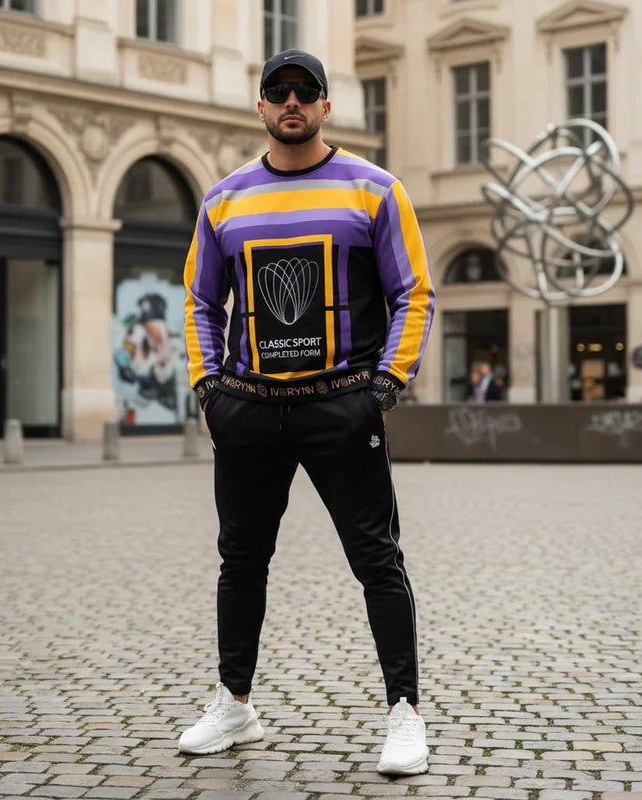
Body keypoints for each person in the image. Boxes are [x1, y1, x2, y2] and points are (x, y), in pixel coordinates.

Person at [180, 49, 435, 775]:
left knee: (377, 561)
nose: (291, 101)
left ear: (327, 106)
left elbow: (413, 291)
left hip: (341, 409)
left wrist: (385, 387)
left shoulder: (375, 189)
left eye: (305, 91)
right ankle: (235, 703)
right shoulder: (223, 199)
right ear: (260, 106)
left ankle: (404, 715)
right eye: (277, 91)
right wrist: (209, 387)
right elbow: (201, 299)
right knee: (241, 561)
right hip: (251, 411)